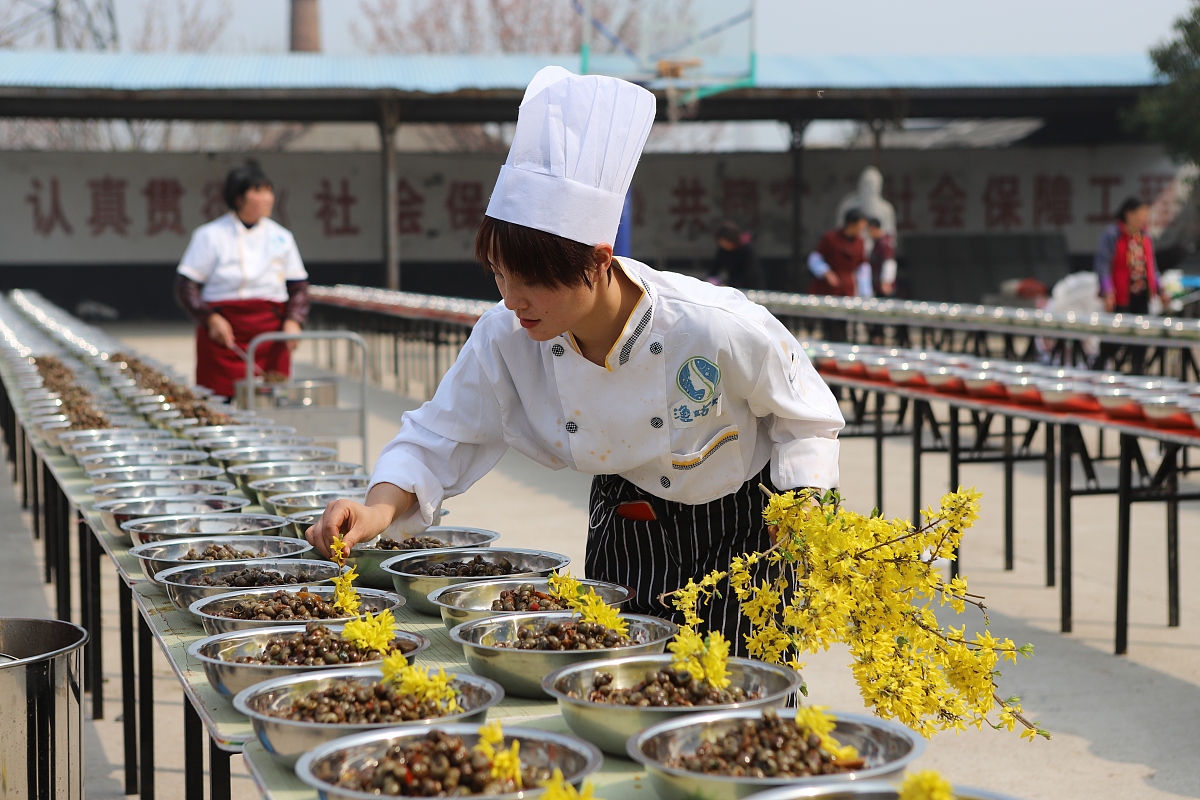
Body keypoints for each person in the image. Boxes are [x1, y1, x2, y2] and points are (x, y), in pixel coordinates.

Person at [304, 66, 844, 655]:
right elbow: (439, 434)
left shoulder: (712, 323)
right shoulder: (506, 335)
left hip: (743, 530)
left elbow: (807, 421)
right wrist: (373, 507)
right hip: (628, 523)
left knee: (748, 700)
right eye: (500, 275)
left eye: (533, 280)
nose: (514, 300)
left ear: (598, 260)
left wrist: (804, 509)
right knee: (620, 682)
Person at [175, 163, 310, 399]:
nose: (268, 198)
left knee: (271, 398)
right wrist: (211, 319)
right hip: (224, 334)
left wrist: (294, 320)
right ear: (239, 198)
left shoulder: (281, 237)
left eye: (269, 191)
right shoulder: (210, 235)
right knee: (218, 401)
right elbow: (186, 287)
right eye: (258, 192)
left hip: (270, 331)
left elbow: (298, 287)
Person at [1093, 197, 1170, 372]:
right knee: (1116, 335)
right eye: (1141, 215)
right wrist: (1108, 292)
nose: (1143, 219)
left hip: (1141, 296)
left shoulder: (1144, 237)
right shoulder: (1113, 235)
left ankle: (1137, 370)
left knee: (1142, 336)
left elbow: (1152, 267)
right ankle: (1100, 366)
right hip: (1121, 296)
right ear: (1128, 213)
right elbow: (1102, 266)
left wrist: (1160, 290)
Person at [808, 209, 869, 341]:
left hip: (847, 289)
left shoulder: (859, 243)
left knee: (844, 324)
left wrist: (866, 293)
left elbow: (862, 268)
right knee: (828, 323)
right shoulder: (831, 238)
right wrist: (826, 272)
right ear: (851, 224)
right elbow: (814, 259)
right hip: (828, 289)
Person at [708, 220, 766, 290]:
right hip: (733, 287)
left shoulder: (746, 250)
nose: (722, 244)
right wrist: (712, 281)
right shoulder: (722, 251)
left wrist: (729, 285)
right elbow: (714, 269)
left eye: (724, 241)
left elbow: (750, 274)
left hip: (751, 288)